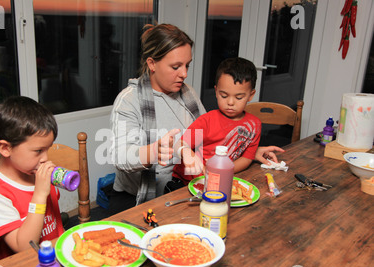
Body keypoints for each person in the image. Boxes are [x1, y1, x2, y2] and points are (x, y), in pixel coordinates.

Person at [109, 23, 284, 214]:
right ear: (152, 64)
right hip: (138, 201)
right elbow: (119, 157)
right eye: (176, 66)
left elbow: (210, 136)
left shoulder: (187, 93)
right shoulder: (129, 100)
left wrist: (248, 151)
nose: (184, 74)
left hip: (182, 190)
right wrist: (153, 152)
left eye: (187, 65)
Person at [0, 96, 64, 265]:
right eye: (38, 151)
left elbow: (55, 224)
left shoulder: (35, 173)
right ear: (5, 148)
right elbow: (25, 247)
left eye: (48, 149)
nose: (45, 158)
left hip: (51, 258)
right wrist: (39, 194)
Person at [171, 57, 261, 185]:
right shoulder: (207, 121)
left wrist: (221, 171)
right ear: (216, 92)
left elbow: (247, 158)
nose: (230, 102)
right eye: (224, 95)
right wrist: (186, 152)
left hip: (220, 179)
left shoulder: (254, 126)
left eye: (239, 97)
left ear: (251, 95)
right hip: (186, 181)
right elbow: (179, 144)